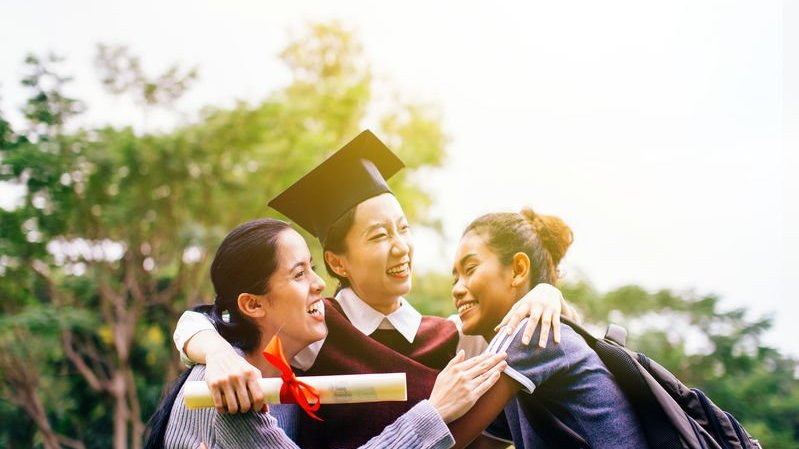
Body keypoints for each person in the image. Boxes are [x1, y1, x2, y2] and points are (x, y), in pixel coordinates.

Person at [173, 131, 578, 447]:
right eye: (379, 235)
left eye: (403, 228)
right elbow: (205, 319)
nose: (401, 247)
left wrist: (544, 293)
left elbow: (537, 337)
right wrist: (216, 351)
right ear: (337, 262)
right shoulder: (314, 329)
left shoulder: (452, 337)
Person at [145, 218, 508, 449]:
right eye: (299, 274)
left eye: (312, 268)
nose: (320, 284)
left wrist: (543, 293)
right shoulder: (234, 390)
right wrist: (434, 412)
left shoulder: (283, 373)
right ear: (253, 305)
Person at [448, 208, 649, 449]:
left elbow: (446, 438)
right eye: (455, 279)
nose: (457, 289)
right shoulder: (541, 339)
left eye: (470, 269)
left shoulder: (529, 332)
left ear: (518, 270)